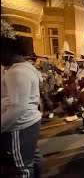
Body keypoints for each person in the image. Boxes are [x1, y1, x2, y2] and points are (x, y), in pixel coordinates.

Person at [1, 36, 43, 178]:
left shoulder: (17, 72)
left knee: (22, 167)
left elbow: (17, 107)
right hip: (29, 122)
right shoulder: (26, 68)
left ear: (8, 51)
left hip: (20, 125)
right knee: (32, 158)